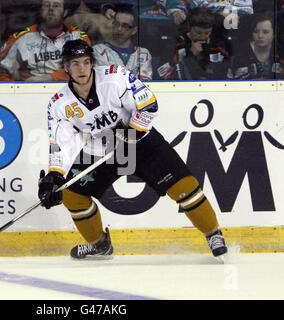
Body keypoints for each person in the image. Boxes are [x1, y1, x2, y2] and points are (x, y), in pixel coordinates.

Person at [37, 39, 228, 260]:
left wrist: (132, 133)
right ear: (66, 68)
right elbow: (61, 143)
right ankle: (100, 245)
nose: (82, 69)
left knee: (185, 188)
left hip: (141, 143)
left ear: (92, 63)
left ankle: (213, 234)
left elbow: (149, 104)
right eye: (75, 64)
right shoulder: (59, 103)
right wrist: (55, 176)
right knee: (72, 196)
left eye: (86, 62)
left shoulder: (114, 76)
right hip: (101, 151)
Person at [0, 0, 91, 82]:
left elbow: (85, 70)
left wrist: (47, 78)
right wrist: (15, 91)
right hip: (32, 94)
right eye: (47, 5)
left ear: (65, 12)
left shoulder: (78, 37)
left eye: (56, 6)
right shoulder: (23, 38)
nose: (51, 9)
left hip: (70, 92)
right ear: (41, 10)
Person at [157, 7, 230, 80]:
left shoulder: (216, 44)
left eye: (207, 33)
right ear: (190, 28)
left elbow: (222, 77)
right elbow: (164, 76)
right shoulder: (175, 44)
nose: (203, 37)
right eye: (198, 33)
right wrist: (191, 55)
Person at [92, 5, 153, 80]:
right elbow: (105, 82)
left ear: (134, 30)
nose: (119, 29)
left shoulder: (143, 54)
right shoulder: (98, 51)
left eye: (125, 26)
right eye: (117, 24)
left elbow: (143, 85)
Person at [230, 14, 284, 79]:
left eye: (265, 32)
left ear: (274, 34)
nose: (260, 36)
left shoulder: (280, 52)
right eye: (256, 31)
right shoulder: (240, 54)